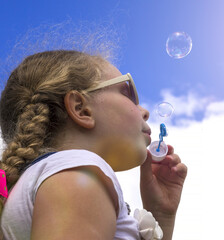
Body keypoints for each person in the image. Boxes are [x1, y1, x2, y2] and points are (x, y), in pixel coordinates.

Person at [0, 50, 187, 239]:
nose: (144, 111)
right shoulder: (78, 172)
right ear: (81, 109)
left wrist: (161, 215)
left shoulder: (52, 176)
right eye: (128, 92)